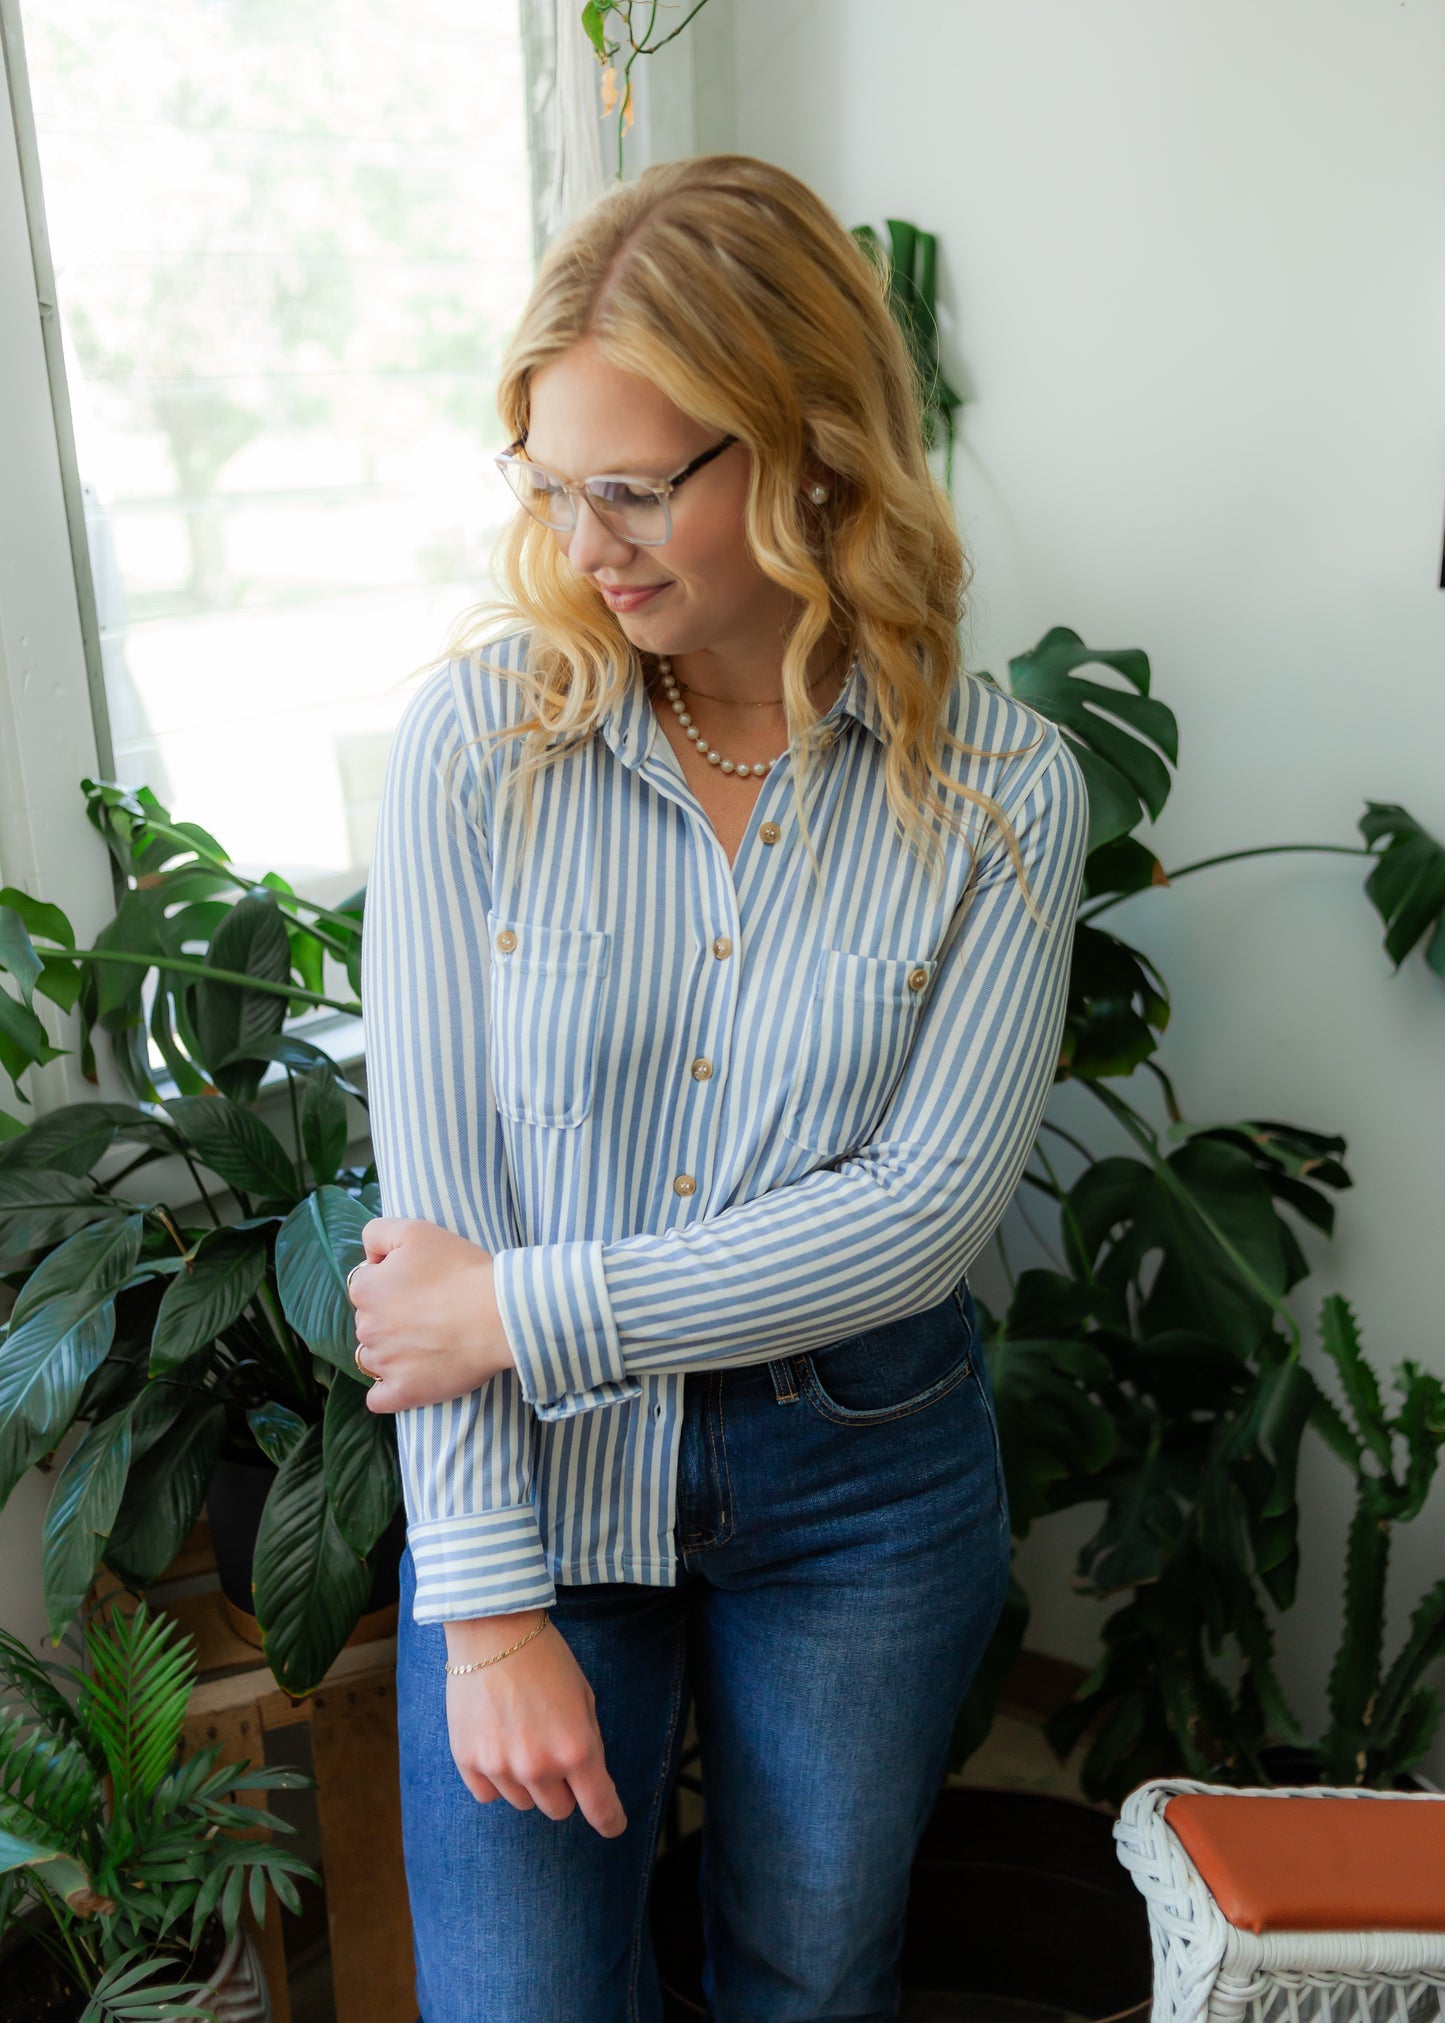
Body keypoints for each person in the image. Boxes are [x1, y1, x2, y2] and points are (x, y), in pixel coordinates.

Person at [347, 153, 1089, 2023]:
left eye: (632, 486)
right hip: (538, 1481)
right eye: (548, 487)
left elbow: (917, 1220)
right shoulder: (476, 747)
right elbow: (426, 1234)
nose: (584, 541)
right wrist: (492, 1610)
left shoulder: (1002, 790)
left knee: (807, 1983)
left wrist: (525, 1306)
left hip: (858, 1476)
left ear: (811, 447)